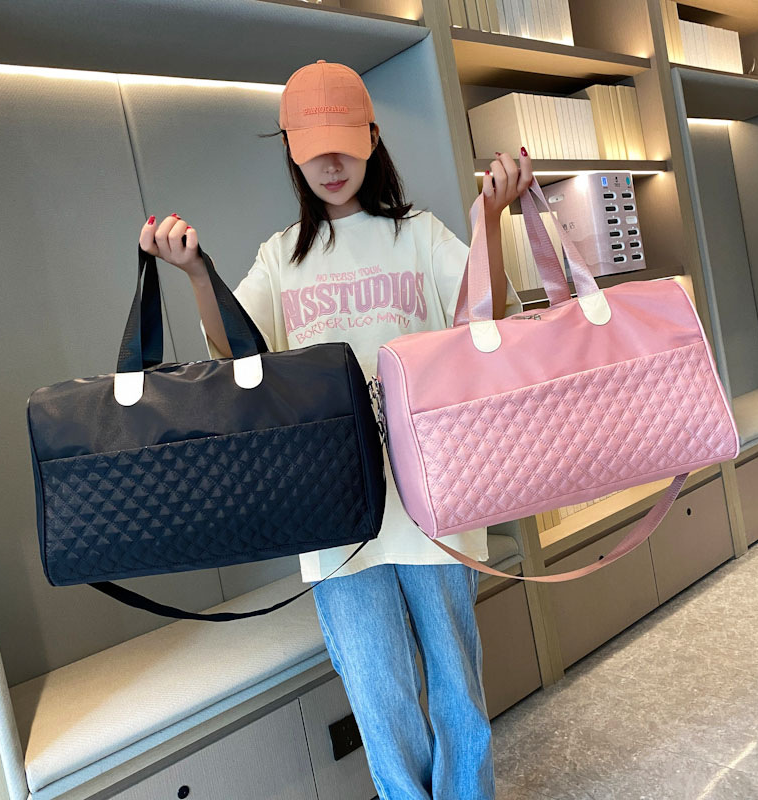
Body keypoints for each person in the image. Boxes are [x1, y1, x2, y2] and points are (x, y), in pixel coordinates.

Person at [139, 59, 533, 800]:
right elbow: (238, 354)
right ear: (291, 151)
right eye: (313, 149)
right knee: (381, 699)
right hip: (331, 508)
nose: (330, 164)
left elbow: (486, 315)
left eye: (345, 146)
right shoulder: (280, 255)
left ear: (372, 140)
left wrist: (491, 217)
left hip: (432, 496)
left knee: (457, 684)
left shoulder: (417, 235)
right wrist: (195, 273)